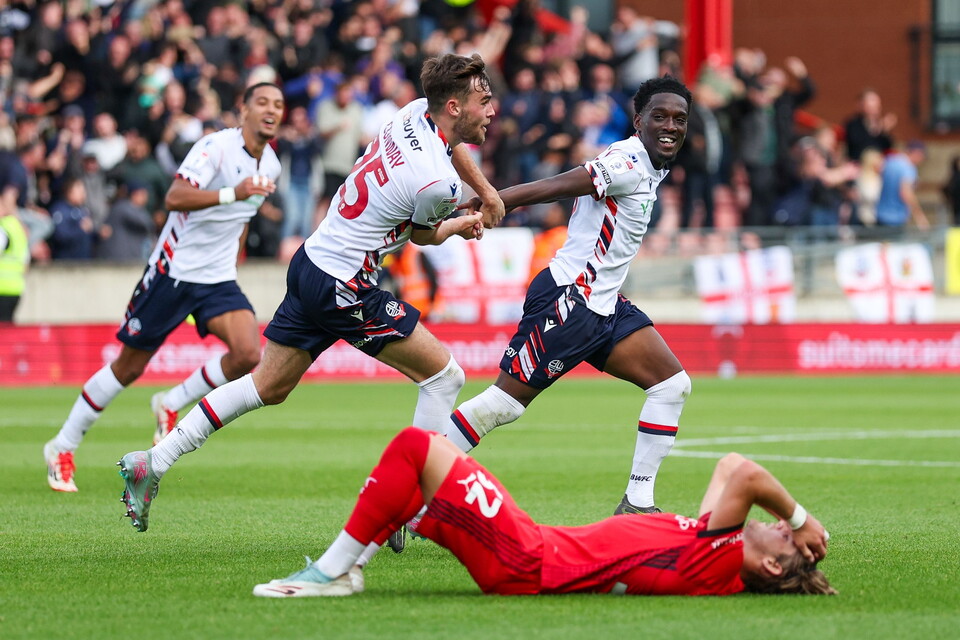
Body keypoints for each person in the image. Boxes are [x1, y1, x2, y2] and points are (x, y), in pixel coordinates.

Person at [117, 53, 505, 534]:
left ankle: (152, 462)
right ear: (452, 105)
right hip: (345, 282)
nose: (492, 111)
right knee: (445, 377)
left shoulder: (412, 113)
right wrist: (462, 224)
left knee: (268, 386)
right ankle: (407, 502)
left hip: (312, 260)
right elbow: (426, 235)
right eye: (483, 102)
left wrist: (486, 193)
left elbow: (450, 148)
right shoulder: (436, 184)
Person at [439, 76, 692, 519]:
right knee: (504, 404)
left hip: (605, 307)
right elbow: (559, 185)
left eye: (679, 119)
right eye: (660, 117)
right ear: (638, 121)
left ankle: (638, 502)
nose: (670, 126)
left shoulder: (653, 166)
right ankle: (411, 490)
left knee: (671, 386)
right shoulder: (627, 161)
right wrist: (495, 200)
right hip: (571, 301)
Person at [252, 427, 835, 597]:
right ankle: (350, 570)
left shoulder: (721, 561)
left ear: (773, 568)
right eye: (788, 527)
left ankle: (330, 572)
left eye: (785, 539)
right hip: (531, 551)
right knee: (428, 472)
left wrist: (805, 517)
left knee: (416, 447)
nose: (780, 525)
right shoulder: (714, 550)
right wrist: (797, 526)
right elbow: (733, 475)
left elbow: (746, 472)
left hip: (529, 559)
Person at [42, 83, 284, 492]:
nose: (270, 110)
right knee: (129, 367)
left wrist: (234, 253)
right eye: (262, 102)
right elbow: (174, 196)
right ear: (242, 109)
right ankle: (61, 446)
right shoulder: (215, 147)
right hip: (173, 272)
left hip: (217, 277)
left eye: (278, 104)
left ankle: (170, 402)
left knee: (247, 353)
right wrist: (232, 193)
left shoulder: (273, 165)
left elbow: (241, 220)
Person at [876, 140, 930, 233]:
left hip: (880, 214)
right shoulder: (908, 168)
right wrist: (919, 216)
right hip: (896, 217)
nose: (921, 161)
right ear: (917, 153)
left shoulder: (890, 161)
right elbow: (905, 193)